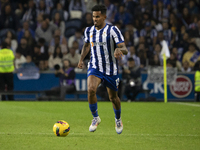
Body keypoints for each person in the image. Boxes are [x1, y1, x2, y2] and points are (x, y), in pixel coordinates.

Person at [77, 4, 128, 134]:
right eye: (93, 16)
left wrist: (118, 49)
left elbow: (125, 49)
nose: (95, 19)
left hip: (111, 69)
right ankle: (95, 118)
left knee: (113, 98)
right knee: (91, 89)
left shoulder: (113, 30)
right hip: (95, 66)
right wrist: (81, 59)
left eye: (98, 16)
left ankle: (118, 119)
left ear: (104, 16)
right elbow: (86, 45)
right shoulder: (88, 30)